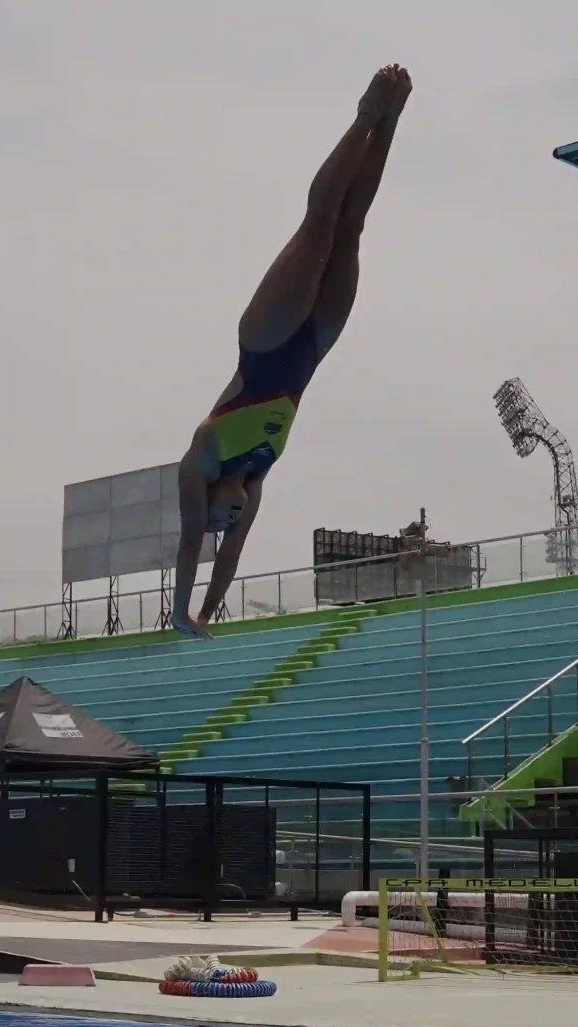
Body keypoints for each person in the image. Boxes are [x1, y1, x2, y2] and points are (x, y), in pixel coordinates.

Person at [172, 64, 412, 637]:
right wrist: (209, 616)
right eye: (225, 523)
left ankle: (364, 116)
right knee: (352, 231)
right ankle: (392, 126)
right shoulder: (252, 488)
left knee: (320, 226)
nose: (225, 521)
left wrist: (180, 614)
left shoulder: (201, 460)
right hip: (310, 350)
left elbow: (189, 547)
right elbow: (229, 557)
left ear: (203, 500)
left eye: (217, 518)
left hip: (265, 342)